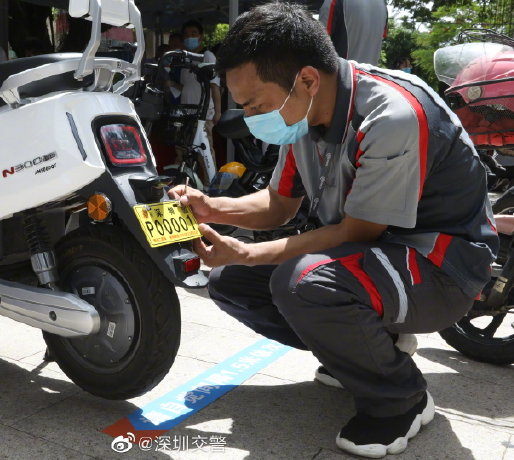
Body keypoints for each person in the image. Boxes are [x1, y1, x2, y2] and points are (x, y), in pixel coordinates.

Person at [169, 3, 498, 458]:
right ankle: (368, 351)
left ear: (306, 79)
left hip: (439, 268)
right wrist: (212, 207)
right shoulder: (302, 111)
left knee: (301, 281)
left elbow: (356, 231)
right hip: (374, 255)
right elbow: (277, 205)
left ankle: (400, 398)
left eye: (256, 105)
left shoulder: (390, 116)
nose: (251, 117)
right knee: (232, 283)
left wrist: (247, 252)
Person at [166, 20, 222, 182]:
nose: (189, 37)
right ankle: (184, 186)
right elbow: (186, 86)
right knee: (183, 154)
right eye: (186, 35)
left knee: (204, 155)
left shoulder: (207, 56)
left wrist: (217, 111)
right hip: (186, 114)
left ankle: (211, 188)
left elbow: (214, 86)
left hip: (203, 114)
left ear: (201, 37)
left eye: (194, 34)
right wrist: (171, 84)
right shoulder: (186, 60)